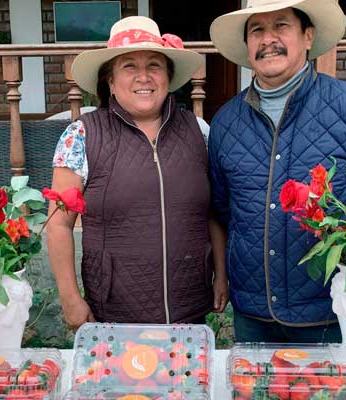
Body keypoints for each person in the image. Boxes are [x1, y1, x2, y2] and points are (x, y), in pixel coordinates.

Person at [208, 0, 346, 342]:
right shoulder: (226, 122)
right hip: (253, 310)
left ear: (308, 36)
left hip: (330, 310)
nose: (268, 39)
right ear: (248, 45)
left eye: (281, 26)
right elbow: (222, 208)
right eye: (257, 30)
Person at [47, 16, 228, 330]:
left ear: (168, 78)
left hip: (189, 312)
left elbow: (212, 211)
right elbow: (59, 225)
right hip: (114, 314)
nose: (143, 77)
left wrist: (221, 274)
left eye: (154, 65)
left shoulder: (199, 132)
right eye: (129, 66)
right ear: (110, 82)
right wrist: (70, 298)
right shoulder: (81, 136)